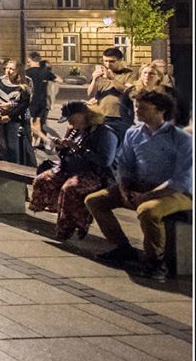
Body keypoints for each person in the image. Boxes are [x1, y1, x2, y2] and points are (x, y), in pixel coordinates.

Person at [86, 90, 193, 279]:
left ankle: (156, 262)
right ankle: (122, 247)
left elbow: (180, 180)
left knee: (148, 211)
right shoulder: (133, 133)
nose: (137, 111)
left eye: (143, 108)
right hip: (140, 186)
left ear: (161, 111)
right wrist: (124, 188)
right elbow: (125, 164)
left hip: (176, 193)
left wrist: (148, 195)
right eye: (136, 107)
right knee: (95, 201)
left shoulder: (180, 138)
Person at [28, 101, 118, 240]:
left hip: (94, 174)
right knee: (42, 180)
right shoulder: (76, 129)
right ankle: (61, 211)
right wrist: (61, 145)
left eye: (72, 118)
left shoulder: (104, 133)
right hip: (69, 170)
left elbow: (105, 161)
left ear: (84, 115)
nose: (69, 122)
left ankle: (70, 225)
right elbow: (65, 153)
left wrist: (80, 149)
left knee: (69, 189)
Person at [0, 59, 35, 165]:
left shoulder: (26, 81)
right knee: (5, 148)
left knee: (21, 148)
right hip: (2, 119)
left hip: (19, 119)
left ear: (18, 70)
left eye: (12, 69)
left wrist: (10, 108)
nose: (8, 71)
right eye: (7, 68)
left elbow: (26, 102)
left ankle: (22, 172)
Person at [88, 46, 136, 145]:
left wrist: (112, 79)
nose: (107, 64)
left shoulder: (129, 74)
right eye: (105, 61)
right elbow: (90, 94)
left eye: (111, 61)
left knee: (118, 146)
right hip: (101, 116)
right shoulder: (102, 74)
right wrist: (94, 79)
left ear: (120, 60)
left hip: (119, 117)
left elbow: (127, 91)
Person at [25, 52, 62, 151]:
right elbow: (59, 80)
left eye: (28, 61)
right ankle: (33, 145)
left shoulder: (27, 73)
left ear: (31, 60)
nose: (27, 63)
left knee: (30, 125)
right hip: (43, 101)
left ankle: (46, 139)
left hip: (32, 102)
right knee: (38, 124)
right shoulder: (45, 72)